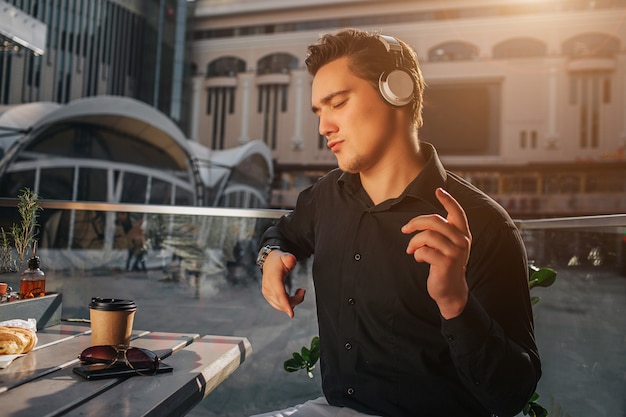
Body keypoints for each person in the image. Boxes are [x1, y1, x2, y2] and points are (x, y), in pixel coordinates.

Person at [254, 29, 540, 417]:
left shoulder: (485, 226)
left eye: (337, 103)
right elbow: (283, 233)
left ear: (397, 92)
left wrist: (455, 301)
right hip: (335, 408)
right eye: (319, 112)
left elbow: (511, 396)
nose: (323, 128)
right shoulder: (326, 196)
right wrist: (272, 255)